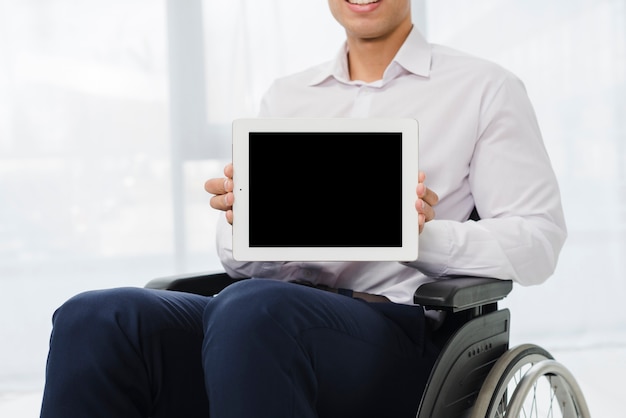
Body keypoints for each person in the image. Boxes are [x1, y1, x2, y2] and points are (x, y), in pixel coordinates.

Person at [40, 0, 567, 417]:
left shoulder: (484, 88)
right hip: (263, 317)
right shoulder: (289, 97)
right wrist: (241, 222)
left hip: (396, 332)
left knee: (253, 311)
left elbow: (539, 240)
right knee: (95, 317)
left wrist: (417, 236)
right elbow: (248, 267)